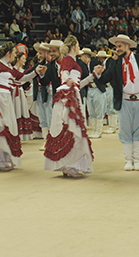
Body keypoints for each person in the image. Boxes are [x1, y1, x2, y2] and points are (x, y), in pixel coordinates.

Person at [0, 42, 46, 171]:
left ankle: (3, 158)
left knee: (7, 127)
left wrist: (36, 71)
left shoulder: (9, 67)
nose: (15, 55)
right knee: (0, 127)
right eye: (14, 53)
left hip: (6, 98)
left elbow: (23, 78)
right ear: (8, 53)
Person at [97, 34, 139, 171]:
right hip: (125, 101)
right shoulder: (115, 64)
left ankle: (137, 159)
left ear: (127, 46)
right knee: (125, 131)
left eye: (120, 46)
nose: (117, 49)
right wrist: (97, 74)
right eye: (116, 47)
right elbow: (104, 79)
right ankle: (128, 160)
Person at [44, 35, 104, 178]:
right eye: (77, 45)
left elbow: (78, 83)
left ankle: (70, 164)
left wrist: (93, 75)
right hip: (69, 95)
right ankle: (69, 164)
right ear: (73, 46)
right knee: (72, 129)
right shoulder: (68, 60)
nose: (79, 48)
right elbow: (65, 74)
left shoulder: (71, 60)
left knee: (71, 129)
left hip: (71, 92)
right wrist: (68, 80)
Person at [80, 47, 106, 139]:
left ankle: (98, 130)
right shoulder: (82, 66)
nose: (80, 58)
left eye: (81, 56)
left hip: (97, 89)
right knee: (91, 110)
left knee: (98, 110)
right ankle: (94, 130)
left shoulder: (95, 63)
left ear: (85, 56)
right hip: (89, 89)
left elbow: (102, 72)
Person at [11, 52, 33, 141]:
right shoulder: (13, 69)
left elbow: (28, 79)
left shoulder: (22, 71)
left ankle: (20, 134)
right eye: (23, 58)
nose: (24, 60)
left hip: (20, 91)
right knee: (15, 111)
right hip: (14, 92)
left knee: (21, 111)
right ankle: (14, 133)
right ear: (17, 59)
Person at [96, 50, 119, 134]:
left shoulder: (110, 62)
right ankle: (112, 125)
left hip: (110, 86)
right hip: (107, 86)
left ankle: (113, 126)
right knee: (109, 106)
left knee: (111, 106)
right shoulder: (108, 62)